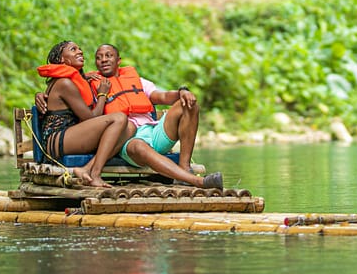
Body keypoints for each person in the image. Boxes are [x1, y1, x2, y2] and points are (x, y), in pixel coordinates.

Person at [91, 43, 222, 190]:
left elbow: (163, 96)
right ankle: (198, 181)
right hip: (127, 140)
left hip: (154, 132)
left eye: (108, 56)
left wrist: (182, 91)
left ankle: (184, 168)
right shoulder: (94, 86)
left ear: (118, 60)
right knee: (139, 146)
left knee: (189, 105)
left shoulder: (137, 81)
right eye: (99, 58)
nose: (103, 60)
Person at [37, 40, 131, 188]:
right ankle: (95, 175)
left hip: (71, 136)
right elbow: (91, 117)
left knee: (130, 127)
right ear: (62, 59)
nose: (80, 52)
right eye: (73, 49)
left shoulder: (75, 80)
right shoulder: (65, 84)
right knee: (119, 118)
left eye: (80, 49)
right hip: (57, 140)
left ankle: (87, 169)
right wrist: (102, 95)